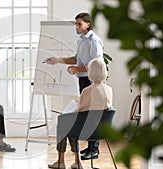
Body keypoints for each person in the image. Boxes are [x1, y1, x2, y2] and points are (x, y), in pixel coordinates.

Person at [45, 12, 104, 160]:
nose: (76, 26)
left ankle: (94, 150)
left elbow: (96, 64)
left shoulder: (93, 41)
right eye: (76, 23)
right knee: (86, 113)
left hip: (92, 80)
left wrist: (77, 69)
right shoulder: (81, 40)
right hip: (83, 80)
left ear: (88, 24)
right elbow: (77, 59)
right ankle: (90, 148)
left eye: (79, 24)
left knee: (93, 113)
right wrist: (58, 60)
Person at [48, 58, 113, 169]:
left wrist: (67, 113)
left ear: (91, 72)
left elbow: (79, 111)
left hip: (86, 130)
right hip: (101, 130)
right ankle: (77, 162)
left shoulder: (88, 90)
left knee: (63, 122)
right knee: (69, 123)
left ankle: (61, 161)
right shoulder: (108, 89)